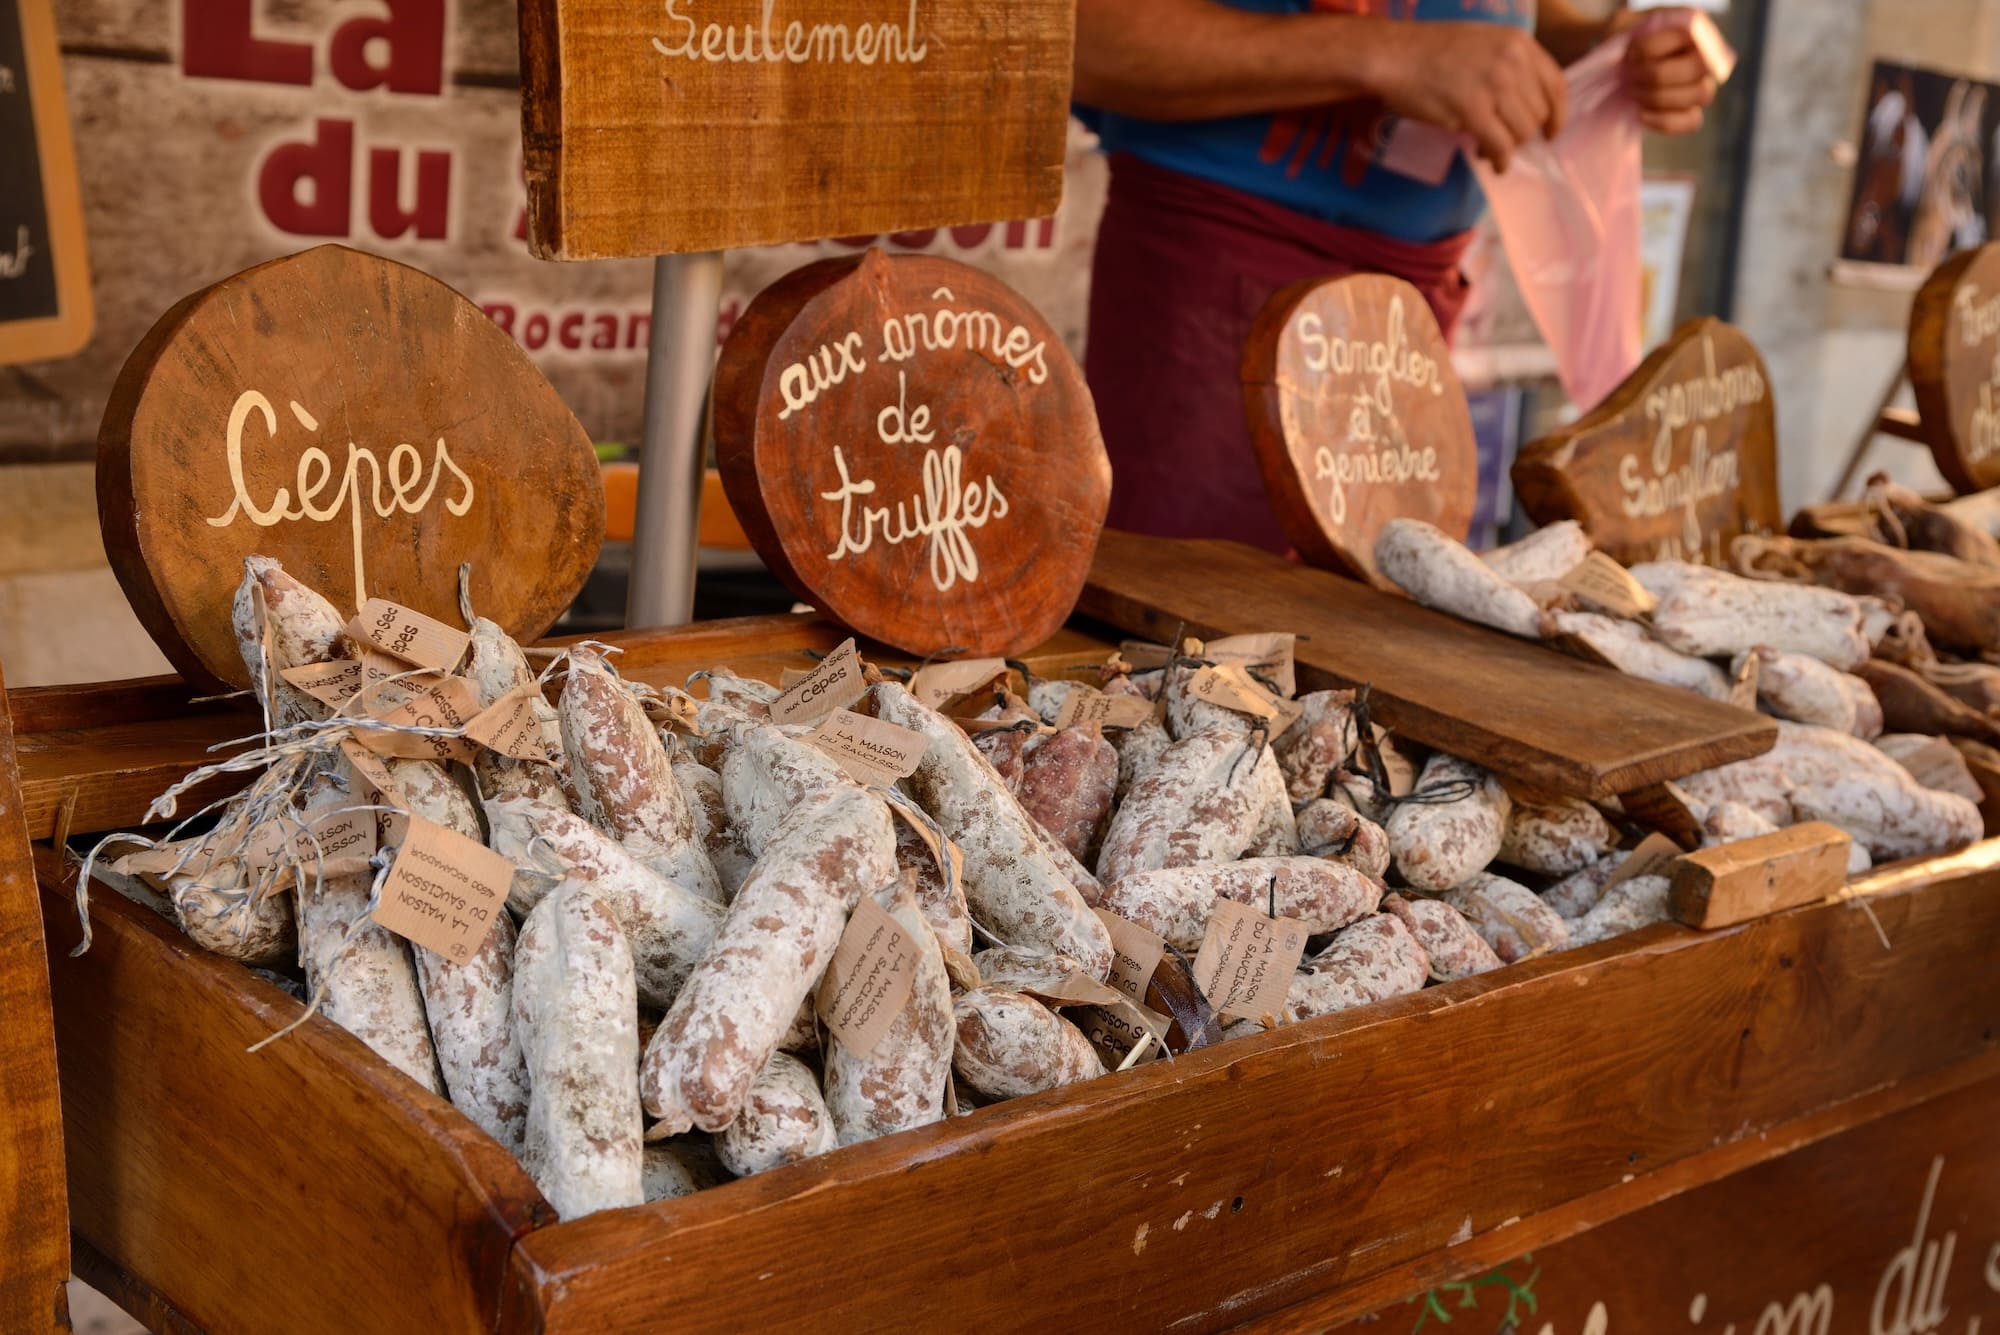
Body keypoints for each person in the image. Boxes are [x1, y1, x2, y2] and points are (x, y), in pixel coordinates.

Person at [1073, 1, 1719, 549]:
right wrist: (1386, 54)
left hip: (1413, 308)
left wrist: (1599, 50)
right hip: (1217, 281)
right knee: (1182, 644)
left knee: (1369, 636)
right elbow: (1082, 34)